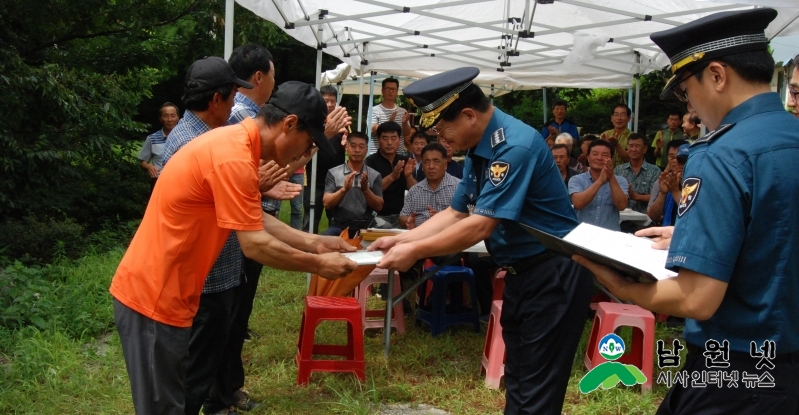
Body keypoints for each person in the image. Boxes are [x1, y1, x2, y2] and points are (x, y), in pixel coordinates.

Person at [573, 8, 799, 414]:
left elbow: (697, 299)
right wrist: (692, 235)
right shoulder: (788, 137)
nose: (690, 108)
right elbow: (779, 228)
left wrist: (623, 288)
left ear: (716, 76)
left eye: (685, 91)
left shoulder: (723, 153)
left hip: (740, 370)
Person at [110, 80, 358, 415]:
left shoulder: (235, 144)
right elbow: (254, 243)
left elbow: (252, 218)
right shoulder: (233, 156)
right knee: (162, 408)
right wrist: (319, 265)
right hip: (152, 298)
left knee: (171, 401)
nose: (303, 154)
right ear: (289, 124)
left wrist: (316, 241)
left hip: (173, 295)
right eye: (307, 142)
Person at [370, 67, 593, 415]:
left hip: (554, 274)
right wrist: (401, 239)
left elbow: (480, 226)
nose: (442, 140)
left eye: (444, 130)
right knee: (518, 379)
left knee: (536, 392)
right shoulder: (480, 147)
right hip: (523, 274)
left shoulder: (513, 146)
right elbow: (457, 211)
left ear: (470, 115)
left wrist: (414, 250)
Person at [303, 85, 352, 234]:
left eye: (333, 101)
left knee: (336, 220)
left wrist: (346, 145)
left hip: (336, 179)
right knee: (311, 219)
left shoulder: (343, 122)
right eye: (326, 100)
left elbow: (351, 145)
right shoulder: (313, 120)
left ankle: (335, 246)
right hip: (314, 179)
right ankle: (307, 250)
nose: (330, 104)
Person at [322, 132, 383, 238]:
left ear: (366, 149)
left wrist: (365, 190)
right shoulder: (334, 173)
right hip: (339, 225)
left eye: (361, 146)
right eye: (353, 146)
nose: (357, 150)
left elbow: (379, 206)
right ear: (346, 147)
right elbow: (327, 203)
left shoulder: (374, 174)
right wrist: (344, 190)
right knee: (321, 242)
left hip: (366, 226)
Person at [568, 140, 629, 231]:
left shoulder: (620, 180)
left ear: (611, 158)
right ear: (588, 157)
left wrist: (611, 177)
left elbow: (621, 205)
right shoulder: (576, 179)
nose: (599, 158)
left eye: (604, 155)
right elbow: (578, 203)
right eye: (595, 154)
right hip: (581, 235)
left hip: (610, 237)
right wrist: (600, 181)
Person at [365, 121, 416, 228]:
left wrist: (408, 176)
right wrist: (392, 176)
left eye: (393, 138)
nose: (389, 142)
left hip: (400, 216)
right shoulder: (370, 162)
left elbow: (415, 191)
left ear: (399, 140)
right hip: (376, 216)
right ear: (378, 140)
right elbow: (369, 191)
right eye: (385, 138)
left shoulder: (405, 161)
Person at [399, 142, 460, 230]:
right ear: (422, 166)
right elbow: (402, 217)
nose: (431, 166)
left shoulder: (458, 188)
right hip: (418, 237)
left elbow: (468, 218)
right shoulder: (415, 190)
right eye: (427, 162)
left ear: (445, 164)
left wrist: (443, 220)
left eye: (436, 161)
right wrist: (408, 222)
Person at [138, 102, 179, 193]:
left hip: (181, 181)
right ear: (160, 119)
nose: (169, 119)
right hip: (158, 182)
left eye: (173, 116)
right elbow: (142, 162)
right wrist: (149, 166)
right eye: (165, 116)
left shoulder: (186, 139)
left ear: (178, 118)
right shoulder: (152, 139)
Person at [614, 133, 659, 214]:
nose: (633, 149)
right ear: (627, 148)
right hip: (621, 219)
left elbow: (656, 197)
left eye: (637, 146)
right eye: (631, 146)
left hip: (645, 219)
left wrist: (635, 196)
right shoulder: (618, 170)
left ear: (645, 149)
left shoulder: (655, 171)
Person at [646, 140, 688, 225]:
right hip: (666, 233)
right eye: (672, 157)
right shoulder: (663, 180)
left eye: (681, 159)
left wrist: (675, 191)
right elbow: (653, 216)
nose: (676, 161)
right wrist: (662, 193)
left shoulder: (695, 182)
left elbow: (692, 214)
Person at [370, 78, 412, 154]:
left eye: (393, 89)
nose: (390, 91)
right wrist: (389, 124)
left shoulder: (403, 111)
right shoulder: (374, 110)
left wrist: (405, 123)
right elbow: (372, 130)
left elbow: (407, 133)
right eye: (388, 88)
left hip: (397, 155)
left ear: (397, 92)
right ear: (382, 91)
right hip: (377, 155)